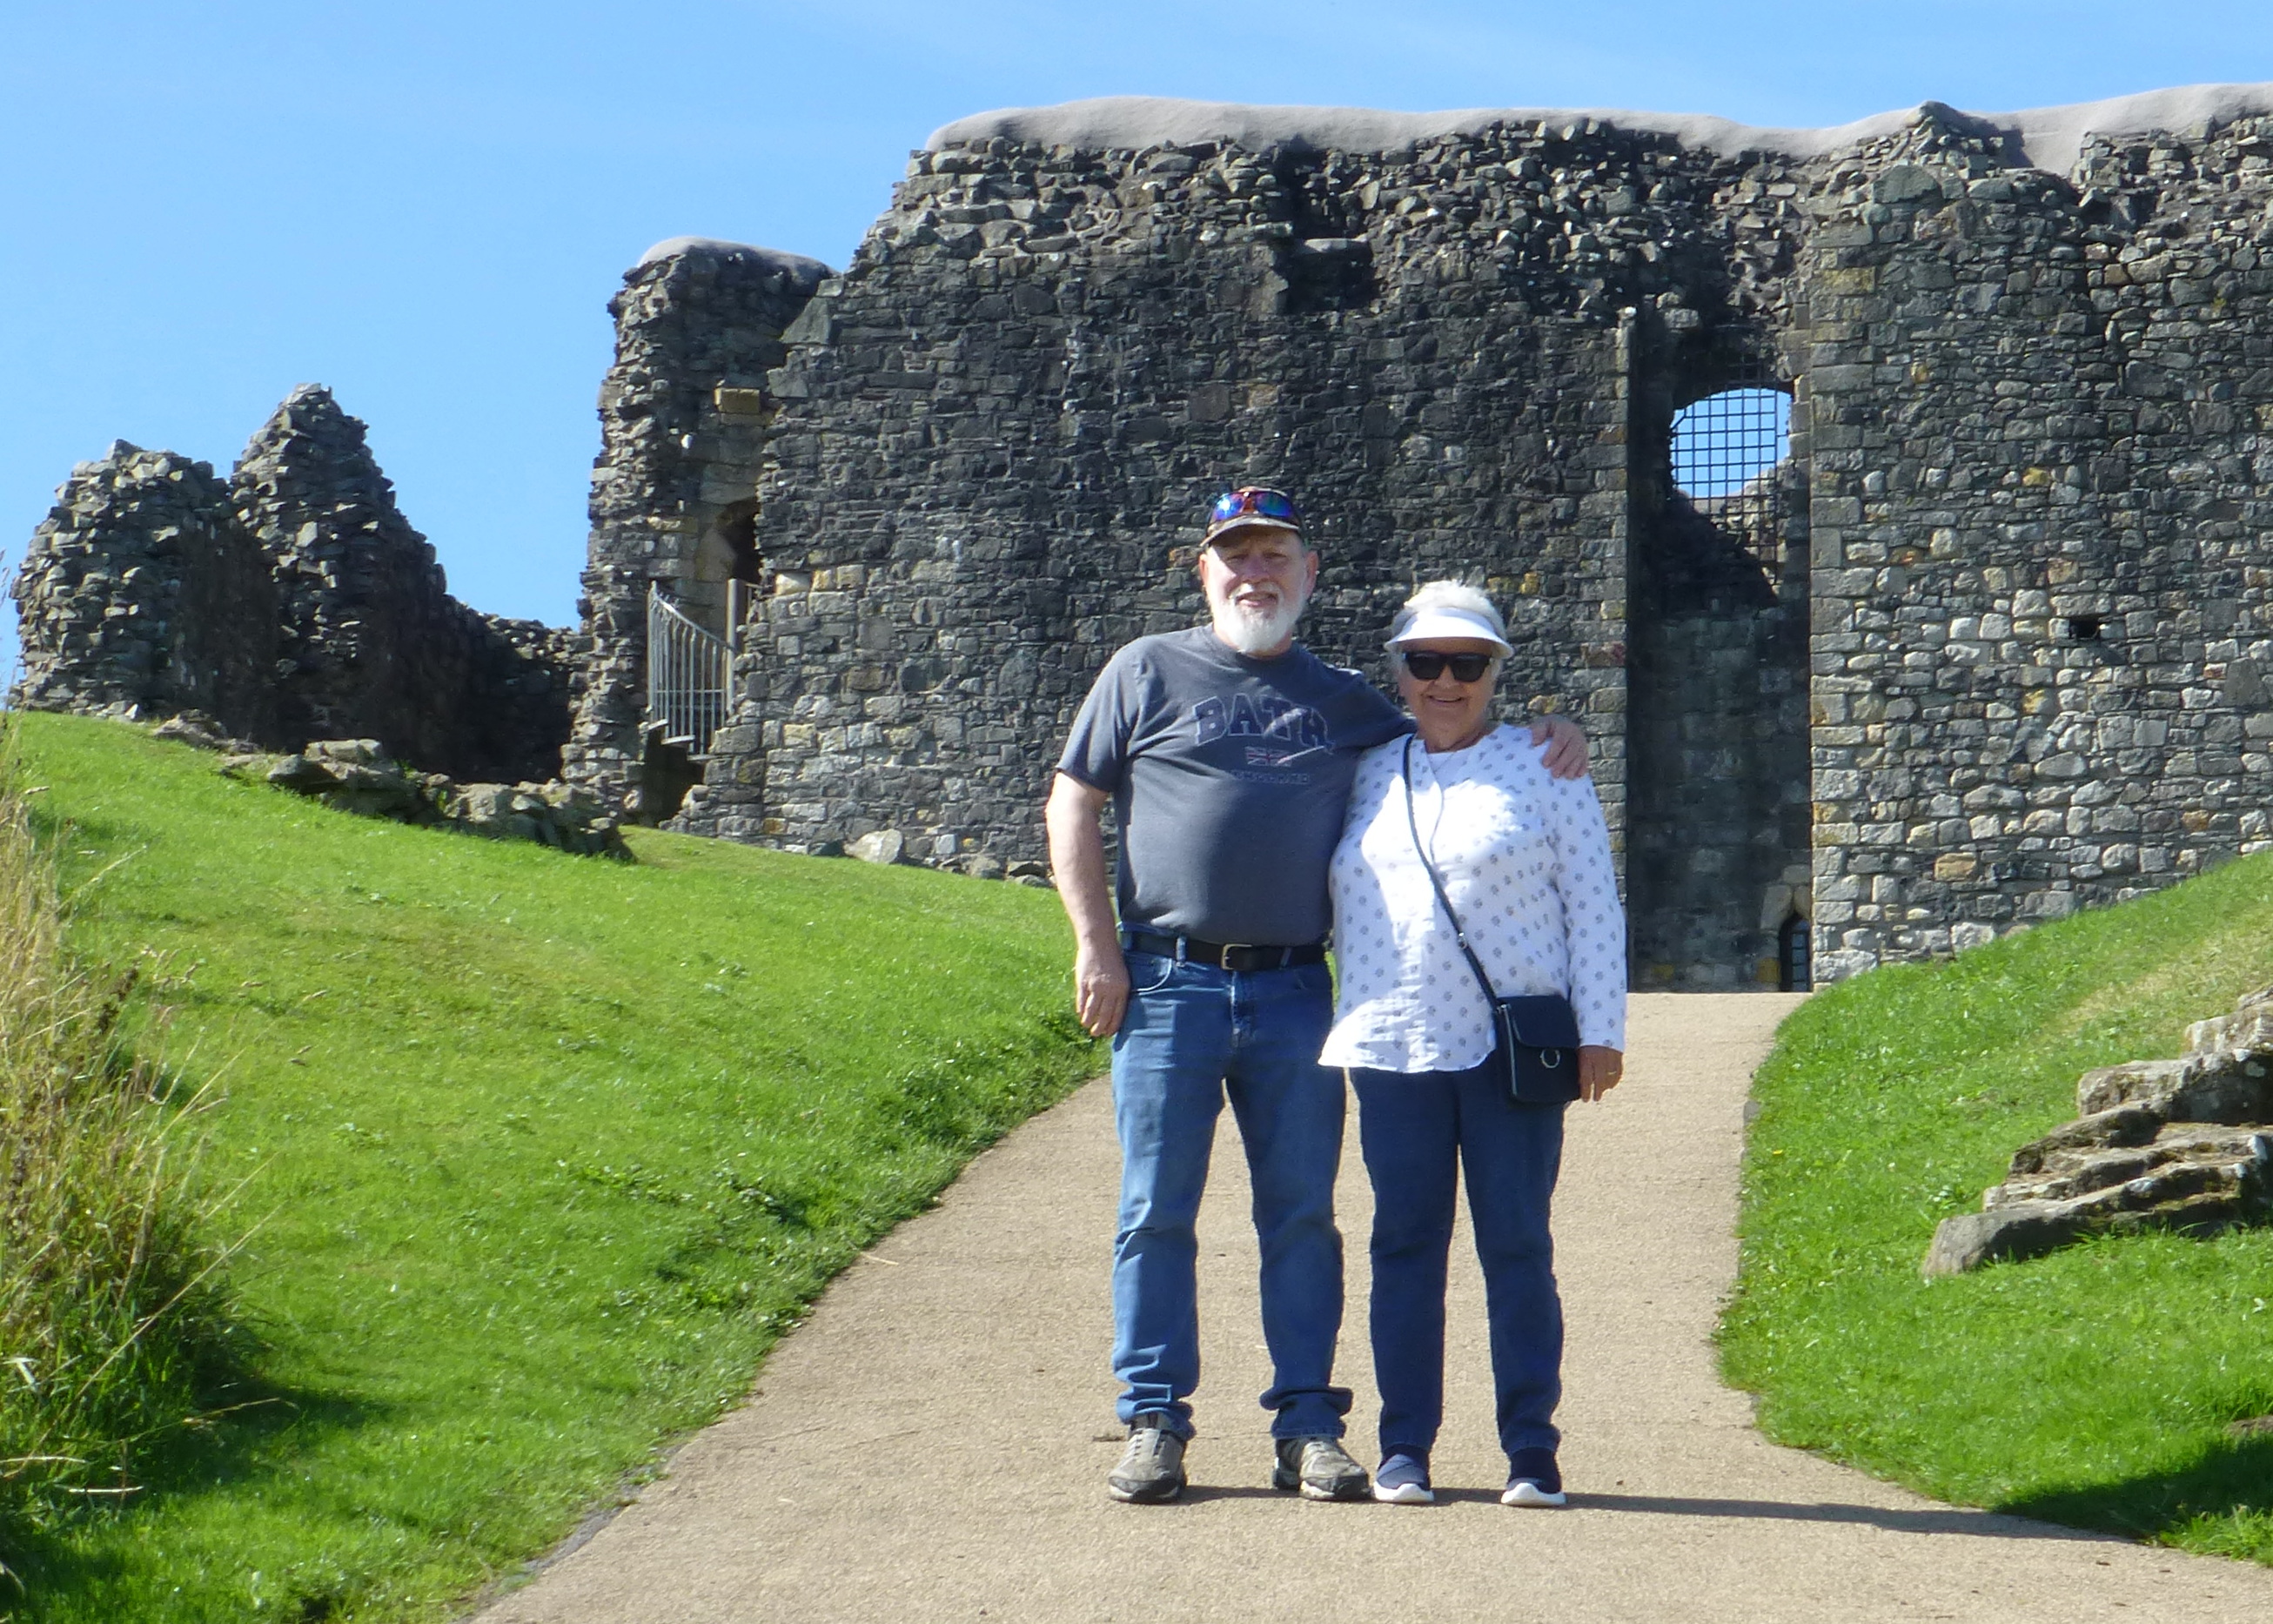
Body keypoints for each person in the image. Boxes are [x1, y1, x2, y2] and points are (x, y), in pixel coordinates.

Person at [1045, 491, 1590, 1504]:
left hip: (1296, 987)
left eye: (1274, 558)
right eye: (1234, 557)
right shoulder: (1143, 669)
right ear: (1203, 571)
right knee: (1153, 1212)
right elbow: (1073, 798)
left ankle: (1305, 1424)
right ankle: (1154, 1419)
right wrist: (1095, 948)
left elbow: (1449, 725)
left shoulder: (1345, 697)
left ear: (1306, 575)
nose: (1254, 573)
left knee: (1300, 1215)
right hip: (1166, 979)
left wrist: (1545, 732)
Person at [1319, 580, 1626, 1509]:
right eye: (1423, 663)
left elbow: (1592, 903)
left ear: (1494, 672)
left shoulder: (1546, 767)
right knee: (1402, 1246)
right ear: (1399, 672)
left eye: (1465, 664)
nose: (1442, 682)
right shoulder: (1365, 765)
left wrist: (1600, 1032)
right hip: (1391, 1042)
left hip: (1511, 1049)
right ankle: (1402, 1446)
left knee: (1516, 1246)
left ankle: (1530, 1449)